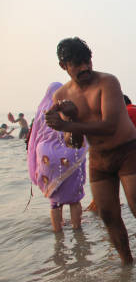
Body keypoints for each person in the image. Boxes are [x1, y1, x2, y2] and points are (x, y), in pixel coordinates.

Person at [45, 37, 136, 267]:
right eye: (77, 64)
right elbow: (75, 143)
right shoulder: (61, 97)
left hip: (127, 151)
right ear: (64, 66)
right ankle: (127, 266)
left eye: (87, 61)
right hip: (98, 158)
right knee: (108, 215)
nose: (85, 68)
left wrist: (67, 124)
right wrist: (72, 118)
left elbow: (109, 125)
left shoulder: (107, 82)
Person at [28, 82, 88, 232]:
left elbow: (34, 138)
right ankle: (77, 231)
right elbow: (80, 132)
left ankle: (57, 234)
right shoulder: (67, 109)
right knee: (74, 199)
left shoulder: (42, 111)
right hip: (69, 156)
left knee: (54, 202)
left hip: (46, 157)